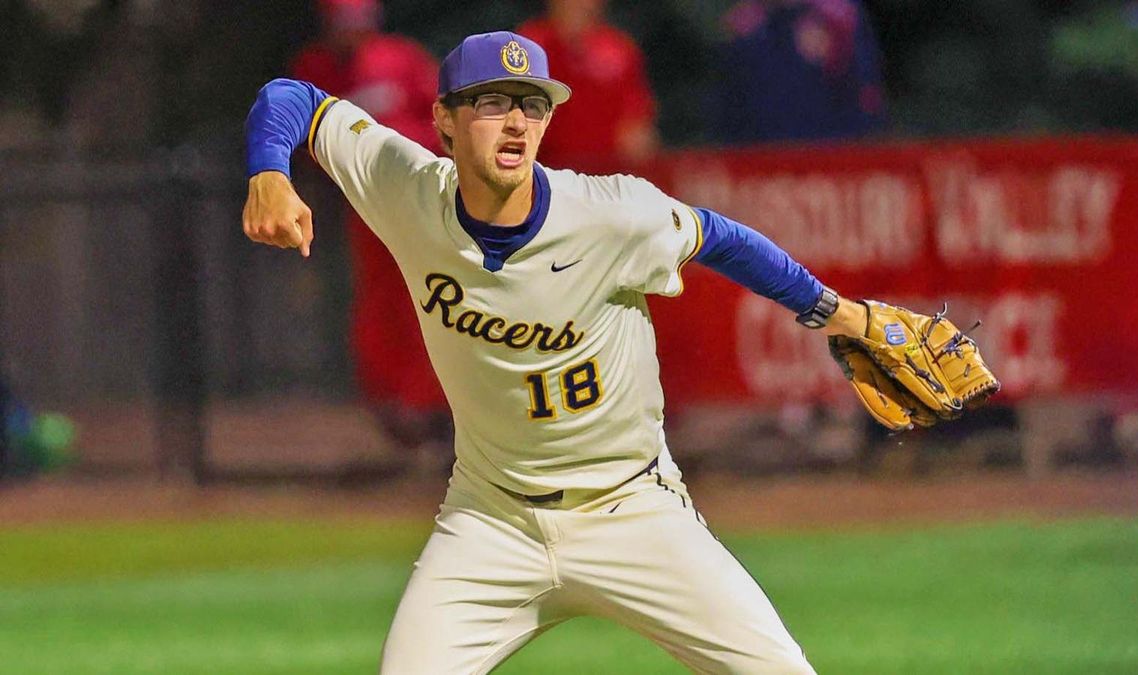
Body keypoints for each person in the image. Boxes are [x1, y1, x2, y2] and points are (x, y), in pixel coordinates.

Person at [243, 31, 868, 673]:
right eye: (492, 102)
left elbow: (720, 237)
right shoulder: (407, 187)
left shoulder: (610, 214)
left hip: (632, 508)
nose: (517, 122)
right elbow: (293, 98)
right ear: (444, 119)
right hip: (490, 521)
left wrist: (839, 314)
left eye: (533, 104)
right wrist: (269, 170)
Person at [290, 0, 451, 456]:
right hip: (364, 206)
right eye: (343, 23)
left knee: (430, 296)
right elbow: (304, 139)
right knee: (379, 305)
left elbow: (443, 116)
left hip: (421, 197)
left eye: (358, 22)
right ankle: (396, 404)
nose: (351, 32)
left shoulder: (400, 57)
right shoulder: (317, 69)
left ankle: (435, 409)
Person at [719, 0, 886, 143]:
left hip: (829, 153)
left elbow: (865, 104)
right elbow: (732, 114)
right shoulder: (749, 29)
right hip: (762, 156)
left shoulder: (841, 18)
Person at [516, 0, 658, 167]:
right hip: (543, 168)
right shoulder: (529, 46)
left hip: (604, 172)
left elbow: (636, 124)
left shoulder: (619, 51)